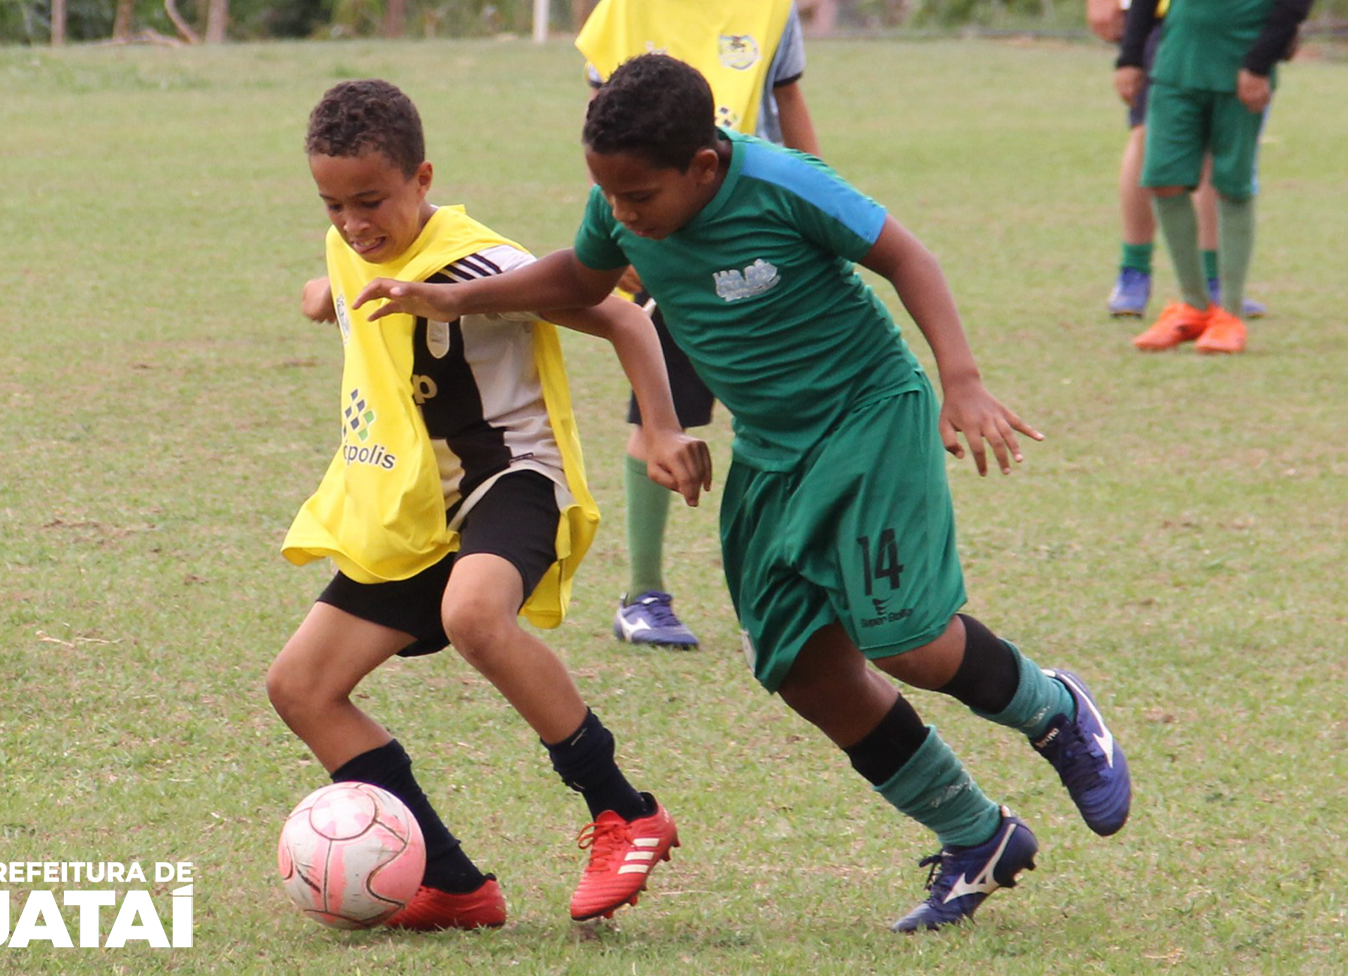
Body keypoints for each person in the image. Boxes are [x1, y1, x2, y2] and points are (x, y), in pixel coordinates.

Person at [355, 54, 1133, 932]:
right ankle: (976, 835)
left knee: (905, 638)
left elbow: (907, 256)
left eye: (639, 196)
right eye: (606, 193)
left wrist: (961, 377)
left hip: (867, 413)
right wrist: (445, 299)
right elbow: (580, 280)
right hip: (769, 447)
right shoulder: (623, 201)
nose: (623, 215)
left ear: (704, 166)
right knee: (802, 667)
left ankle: (1055, 711)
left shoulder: (781, 182)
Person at [269, 79, 711, 929]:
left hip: (513, 484)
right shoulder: (351, 245)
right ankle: (452, 884)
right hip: (414, 512)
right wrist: (321, 295)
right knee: (301, 687)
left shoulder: (481, 265)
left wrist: (658, 430)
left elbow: (625, 321)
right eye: (333, 205)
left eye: (372, 201)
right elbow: (328, 280)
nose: (355, 224)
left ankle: (625, 810)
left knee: (475, 614)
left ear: (422, 177)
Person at [575, 0, 820, 650]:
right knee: (657, 414)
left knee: (783, 416)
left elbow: (788, 103)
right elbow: (600, 121)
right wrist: (619, 219)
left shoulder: (773, 9)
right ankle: (644, 595)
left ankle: (781, 593)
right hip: (673, 241)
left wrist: (817, 194)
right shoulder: (625, 8)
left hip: (762, 237)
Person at [1117, 0, 1313, 353]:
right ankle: (1193, 305)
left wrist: (1258, 64)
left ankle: (1230, 314)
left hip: (1239, 62)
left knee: (1231, 182)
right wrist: (1130, 57)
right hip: (1175, 61)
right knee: (1162, 177)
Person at [1088, 0, 1266, 319]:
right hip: (1163, 18)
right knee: (1149, 136)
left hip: (1236, 21)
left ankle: (1212, 282)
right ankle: (1134, 272)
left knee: (1217, 146)